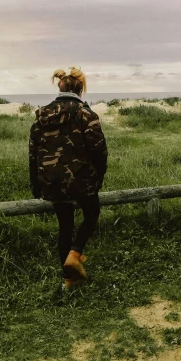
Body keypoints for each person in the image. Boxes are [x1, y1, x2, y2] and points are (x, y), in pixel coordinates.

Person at [29, 67, 108, 289]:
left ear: (59, 87)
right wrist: (99, 175)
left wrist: (36, 183)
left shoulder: (42, 115)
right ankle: (75, 254)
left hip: (52, 181)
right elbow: (99, 150)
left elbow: (33, 153)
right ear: (80, 89)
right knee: (91, 214)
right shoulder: (86, 115)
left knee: (65, 226)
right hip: (82, 180)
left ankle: (69, 280)